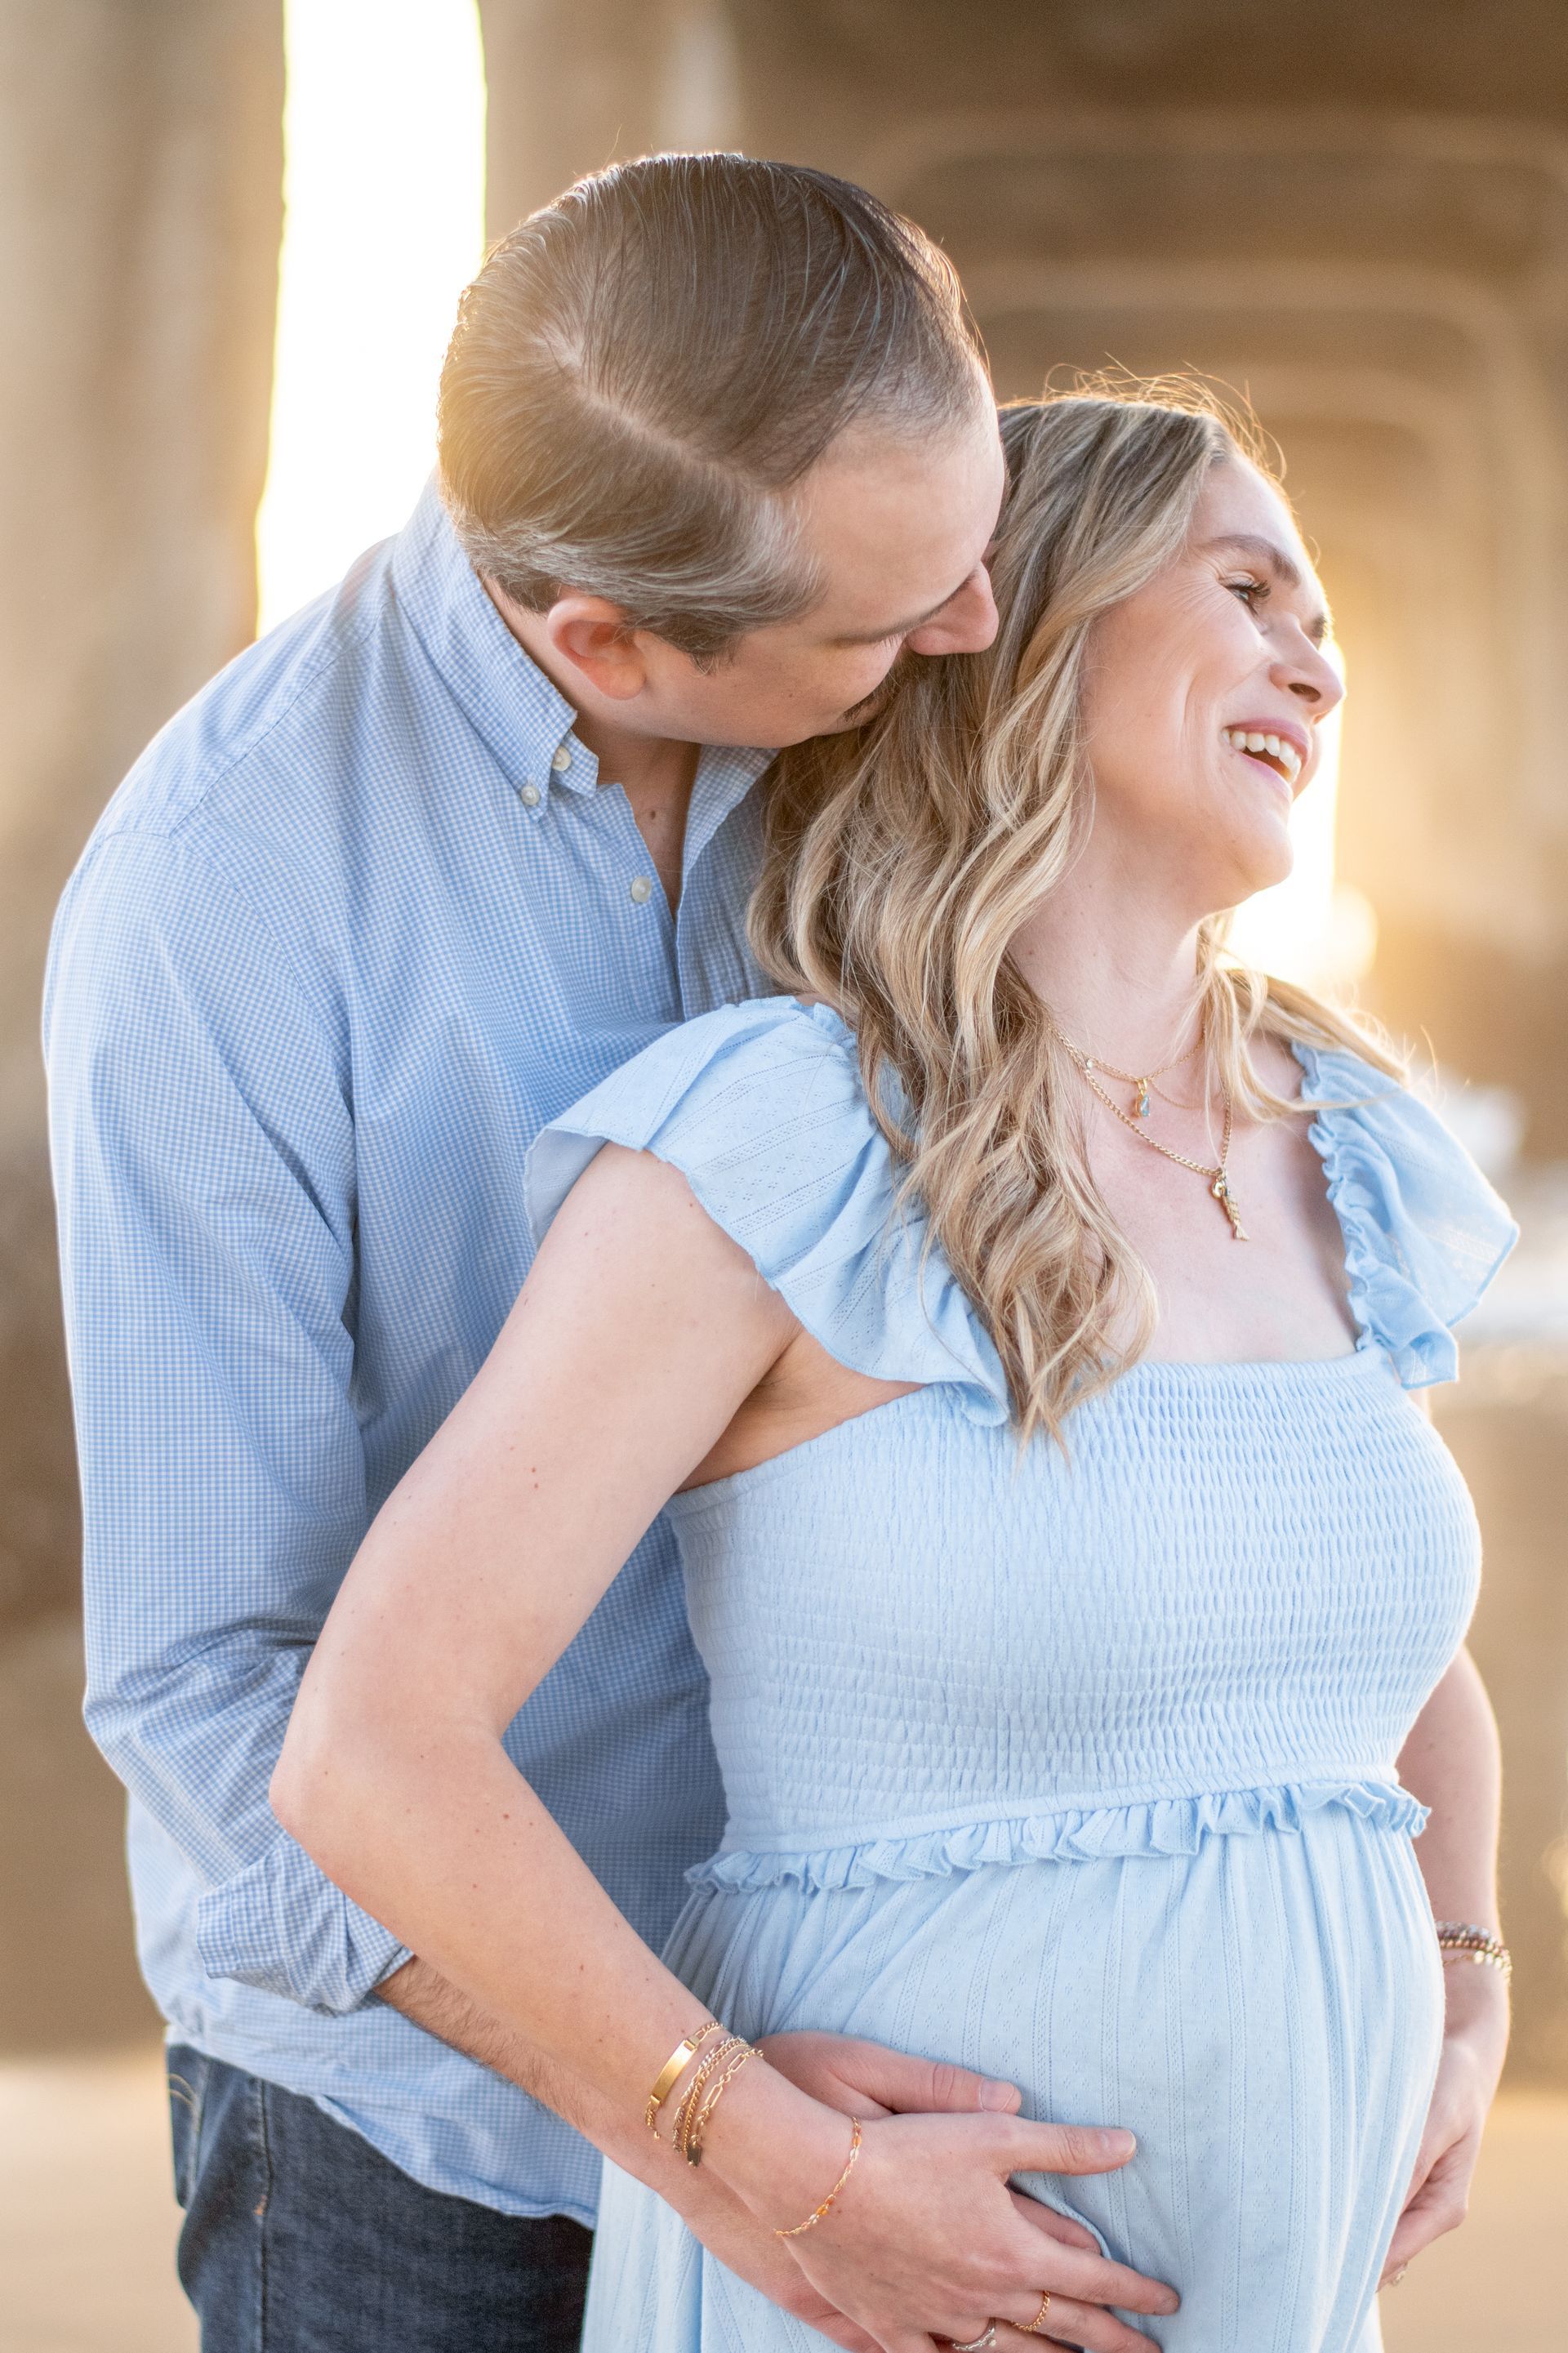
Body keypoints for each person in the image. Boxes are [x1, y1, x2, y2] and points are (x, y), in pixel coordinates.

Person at [47, 154, 1176, 2352]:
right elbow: (211, 1689)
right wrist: (730, 2127)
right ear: (608, 644)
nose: (972, 637)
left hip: (910, 2025)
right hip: (427, 2150)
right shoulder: (224, 907)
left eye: (969, 554)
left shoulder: (907, 688)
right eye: (883, 622)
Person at [274, 385, 1518, 2353]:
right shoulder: (779, 1141)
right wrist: (754, 2148)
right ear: (1022, 623)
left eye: (1328, 611)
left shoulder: (1355, 1142)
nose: (1319, 655)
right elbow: (371, 1746)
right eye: (1249, 584)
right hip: (883, 2302)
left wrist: (1467, 1988)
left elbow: (1387, 1649)